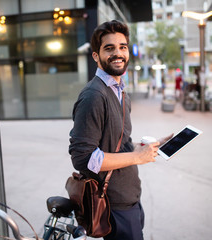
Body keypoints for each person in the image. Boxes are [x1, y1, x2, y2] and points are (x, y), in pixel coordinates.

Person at [69, 20, 172, 240]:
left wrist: (146, 147)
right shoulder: (94, 96)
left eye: (122, 47)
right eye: (109, 48)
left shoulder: (121, 92)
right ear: (96, 56)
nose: (118, 53)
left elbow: (118, 142)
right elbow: (83, 158)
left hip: (129, 197)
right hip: (113, 204)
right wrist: (137, 157)